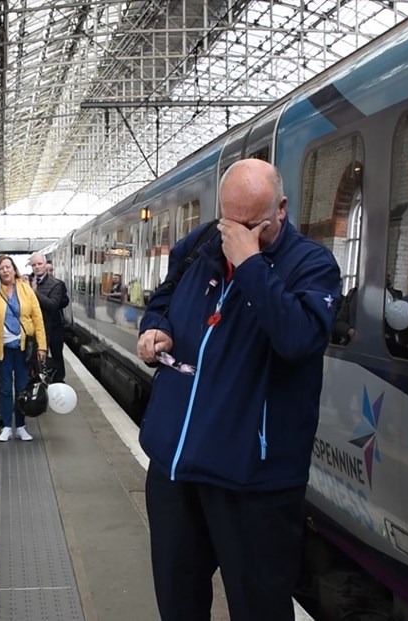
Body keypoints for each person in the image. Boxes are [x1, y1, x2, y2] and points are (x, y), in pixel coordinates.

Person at [136, 159, 341, 620]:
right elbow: (162, 299)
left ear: (282, 209)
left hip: (253, 480)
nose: (236, 235)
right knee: (178, 602)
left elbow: (298, 339)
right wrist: (156, 329)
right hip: (175, 468)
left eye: (252, 225)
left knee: (259, 607)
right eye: (230, 222)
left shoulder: (312, 266)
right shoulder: (200, 246)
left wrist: (250, 263)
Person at [0, 255, 47, 443]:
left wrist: (42, 346)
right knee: (4, 390)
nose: (5, 271)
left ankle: (20, 426)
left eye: (8, 267)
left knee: (21, 388)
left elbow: (37, 319)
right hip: (1, 349)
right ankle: (6, 427)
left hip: (23, 349)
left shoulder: (26, 289)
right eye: (1, 268)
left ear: (14, 269)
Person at [29, 253, 69, 383]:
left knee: (56, 357)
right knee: (35, 360)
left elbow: (52, 305)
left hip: (53, 328)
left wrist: (35, 293)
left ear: (45, 265)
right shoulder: (25, 281)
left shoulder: (56, 284)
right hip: (33, 329)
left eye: (39, 264)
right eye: (34, 265)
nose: (37, 267)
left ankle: (58, 382)